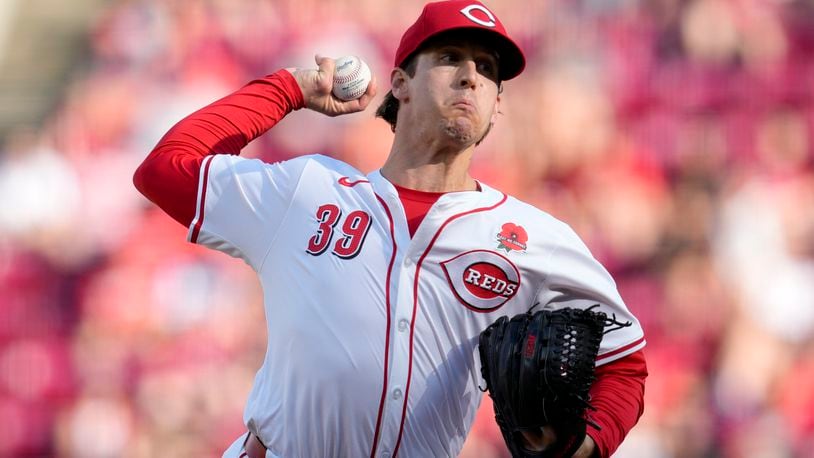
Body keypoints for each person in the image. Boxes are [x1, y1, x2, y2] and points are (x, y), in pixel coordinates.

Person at [133, 1, 648, 457]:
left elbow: (624, 363)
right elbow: (163, 170)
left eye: (487, 69)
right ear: (400, 82)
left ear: (497, 106)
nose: (471, 76)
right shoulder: (308, 191)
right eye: (450, 58)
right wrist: (289, 88)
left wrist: (586, 444)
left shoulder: (535, 240)